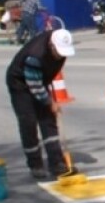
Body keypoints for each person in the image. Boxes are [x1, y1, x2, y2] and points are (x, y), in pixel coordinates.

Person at [5, 27, 74, 180]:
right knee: (28, 121)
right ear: (51, 45)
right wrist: (50, 102)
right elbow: (34, 86)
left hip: (40, 80)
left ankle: (57, 163)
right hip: (20, 83)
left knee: (48, 120)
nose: (61, 56)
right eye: (59, 51)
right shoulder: (35, 55)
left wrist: (50, 101)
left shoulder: (60, 49)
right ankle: (35, 164)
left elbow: (47, 77)